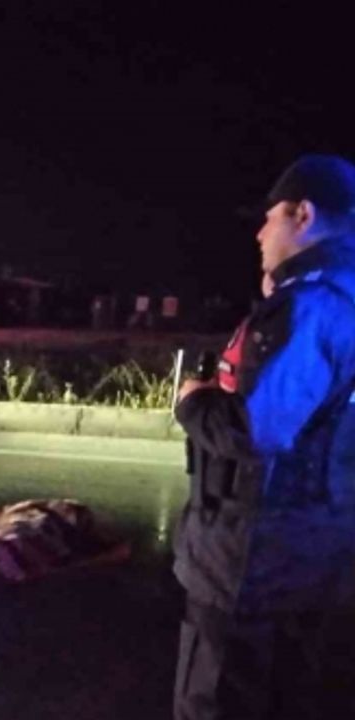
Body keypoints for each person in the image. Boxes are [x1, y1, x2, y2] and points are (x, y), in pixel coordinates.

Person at [173, 154, 355, 719]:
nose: (258, 233)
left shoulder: (312, 307)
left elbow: (256, 430)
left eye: (269, 217)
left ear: (303, 215)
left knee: (219, 702)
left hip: (253, 567)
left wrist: (193, 401)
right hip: (311, 557)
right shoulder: (340, 299)